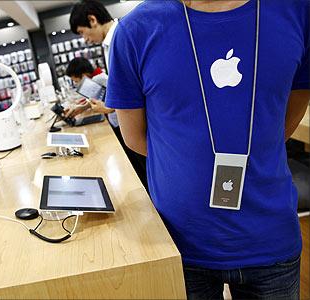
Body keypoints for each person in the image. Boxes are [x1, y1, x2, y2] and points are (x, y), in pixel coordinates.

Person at [106, 0, 309, 299]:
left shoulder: (296, 10)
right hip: (178, 242)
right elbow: (135, 136)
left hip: (270, 237)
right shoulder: (136, 30)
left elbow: (290, 112)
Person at [70, 0, 148, 190]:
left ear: (92, 19)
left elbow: (132, 91)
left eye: (82, 32)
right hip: (131, 128)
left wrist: (107, 107)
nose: (85, 40)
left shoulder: (122, 38)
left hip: (140, 129)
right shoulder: (109, 45)